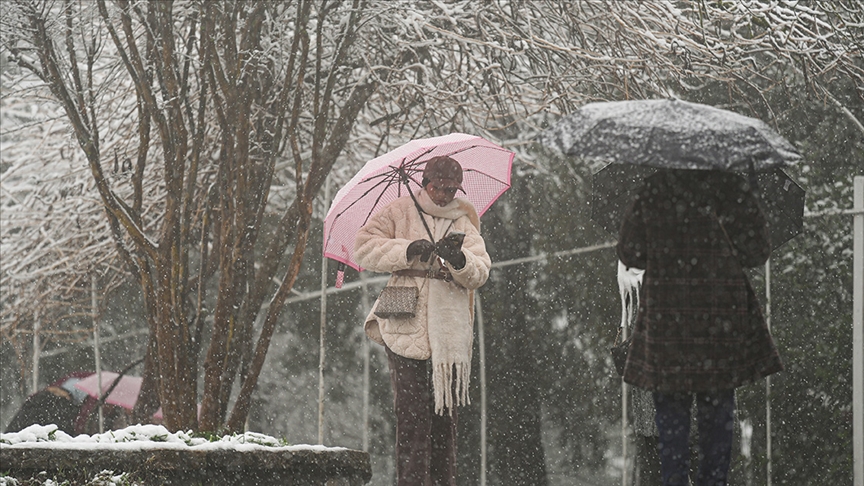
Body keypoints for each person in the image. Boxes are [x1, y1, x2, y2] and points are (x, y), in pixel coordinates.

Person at [617, 169, 784, 486]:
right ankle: (714, 480)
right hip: (718, 315)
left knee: (670, 413)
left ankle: (675, 480)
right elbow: (757, 252)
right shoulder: (731, 186)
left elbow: (631, 254)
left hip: (667, 316)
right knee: (718, 408)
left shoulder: (653, 188)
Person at [354, 155, 491, 486]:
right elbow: (363, 248)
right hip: (402, 306)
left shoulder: (462, 222)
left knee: (444, 419)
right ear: (425, 184)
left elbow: (482, 270)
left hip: (448, 322)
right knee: (412, 415)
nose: (445, 196)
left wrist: (459, 259)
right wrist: (407, 249)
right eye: (440, 188)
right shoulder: (400, 211)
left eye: (451, 190)